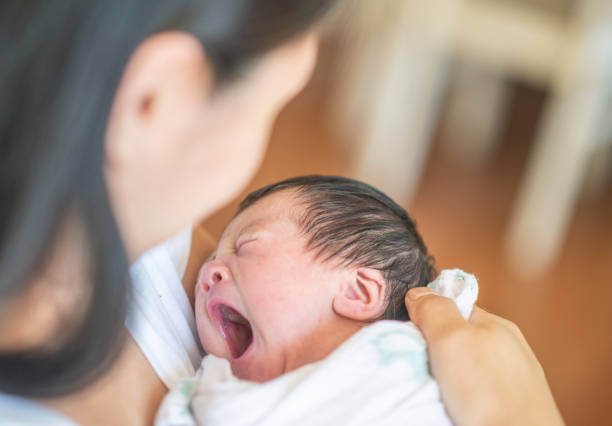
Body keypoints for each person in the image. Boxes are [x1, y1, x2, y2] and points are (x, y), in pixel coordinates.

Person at [0, 1, 564, 425]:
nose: (212, 274)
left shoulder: (145, 227)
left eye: (243, 247)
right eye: (276, 99)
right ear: (153, 98)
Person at [156, 175, 479, 425]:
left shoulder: (403, 365)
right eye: (214, 256)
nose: (208, 271)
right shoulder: (216, 388)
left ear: (358, 292)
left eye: (244, 247)